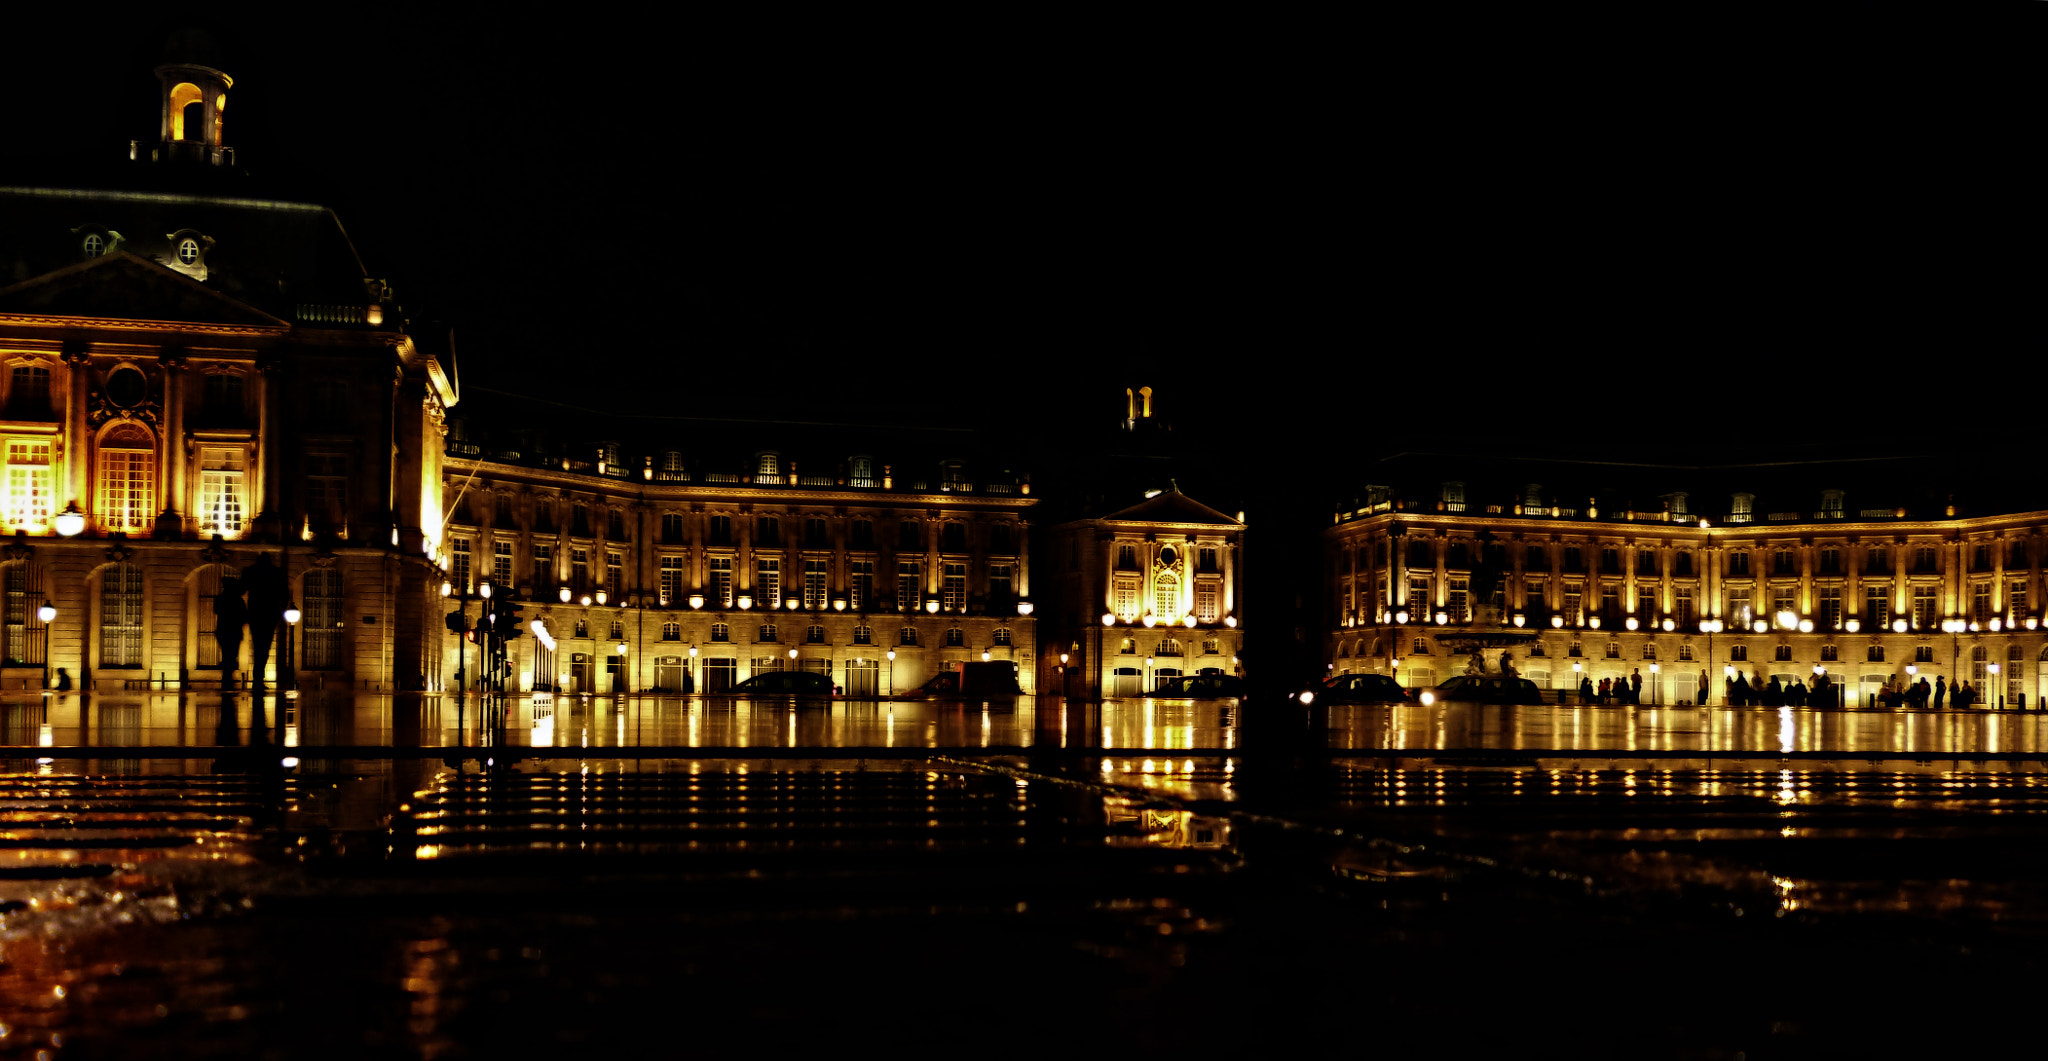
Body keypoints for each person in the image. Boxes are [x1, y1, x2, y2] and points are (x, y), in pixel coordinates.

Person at [213, 576, 247, 690]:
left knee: (227, 655)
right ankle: (227, 679)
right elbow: (244, 616)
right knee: (231, 656)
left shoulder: (219, 599)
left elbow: (217, 610)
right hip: (234, 631)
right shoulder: (238, 600)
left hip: (223, 631)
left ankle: (226, 679)